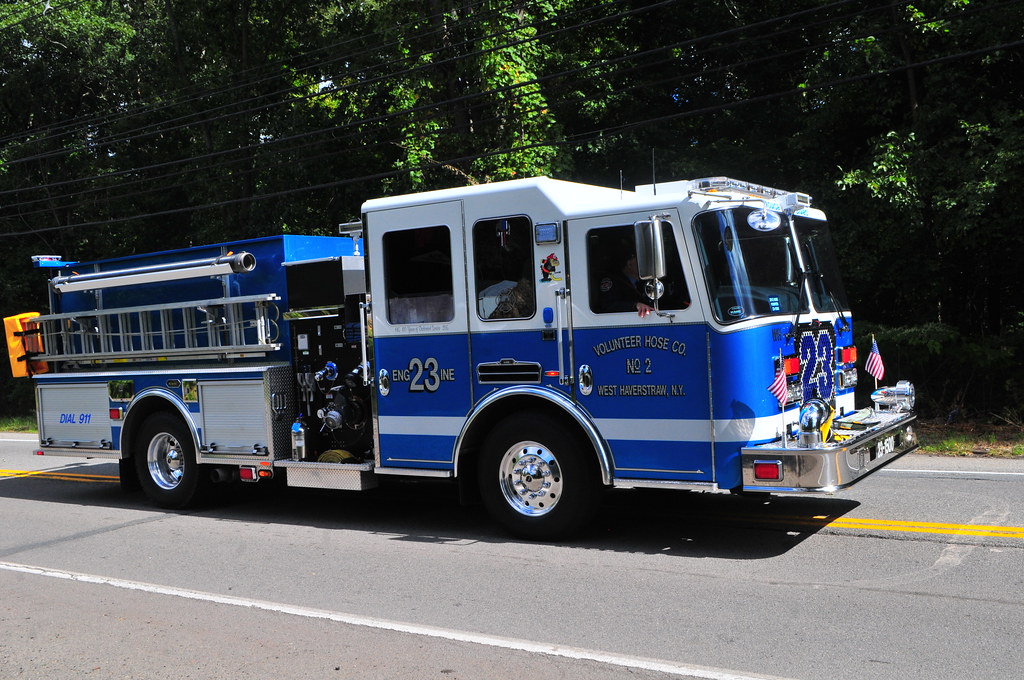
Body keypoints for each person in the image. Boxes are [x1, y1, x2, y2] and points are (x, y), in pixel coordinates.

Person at [597, 250, 655, 318]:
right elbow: (608, 305)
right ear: (629, 264)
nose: (645, 264)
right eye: (639, 260)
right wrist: (635, 305)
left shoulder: (645, 282)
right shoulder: (613, 282)